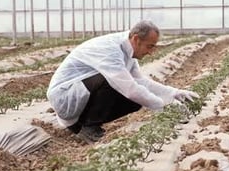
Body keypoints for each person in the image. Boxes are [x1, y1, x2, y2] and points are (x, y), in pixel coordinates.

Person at [46, 20, 199, 143]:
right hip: (65, 97)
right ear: (136, 39)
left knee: (135, 100)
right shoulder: (111, 50)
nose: (151, 52)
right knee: (115, 83)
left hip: (81, 95)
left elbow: (140, 82)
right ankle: (88, 127)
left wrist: (173, 93)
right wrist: (162, 106)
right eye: (150, 46)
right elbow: (129, 88)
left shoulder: (127, 51)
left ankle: (88, 124)